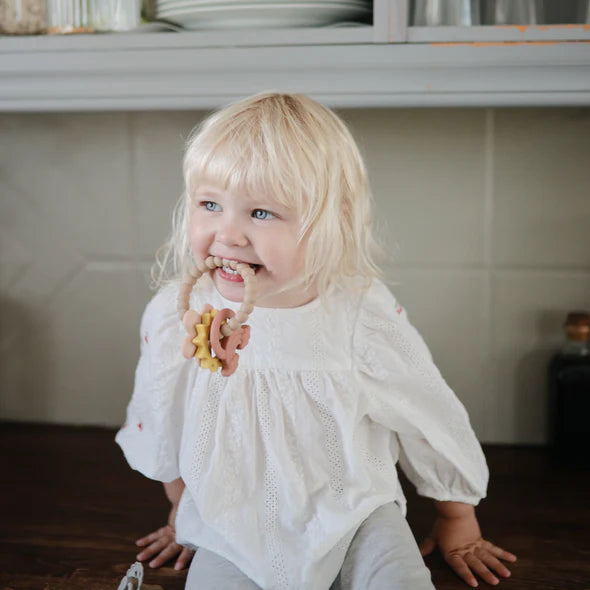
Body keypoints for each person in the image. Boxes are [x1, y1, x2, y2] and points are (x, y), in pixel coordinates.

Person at [116, 91, 516, 590]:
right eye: (210, 204)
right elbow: (161, 413)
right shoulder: (181, 314)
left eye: (262, 213)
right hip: (230, 522)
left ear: (333, 221)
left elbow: (425, 410)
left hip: (356, 513)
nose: (229, 234)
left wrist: (457, 516)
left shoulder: (356, 313)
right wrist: (183, 511)